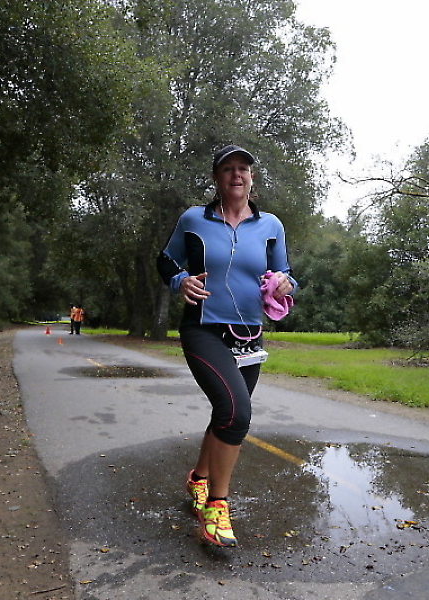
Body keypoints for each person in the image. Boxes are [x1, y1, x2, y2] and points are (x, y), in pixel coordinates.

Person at [157, 145, 296, 547]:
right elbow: (166, 260)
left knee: (226, 412)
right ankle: (216, 506)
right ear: (216, 179)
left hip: (249, 334)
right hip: (203, 328)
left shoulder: (271, 225)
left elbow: (287, 274)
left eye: (243, 169)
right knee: (236, 413)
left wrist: (285, 284)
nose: (237, 174)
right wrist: (180, 281)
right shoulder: (193, 220)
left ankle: (198, 479)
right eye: (228, 169)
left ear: (252, 178)